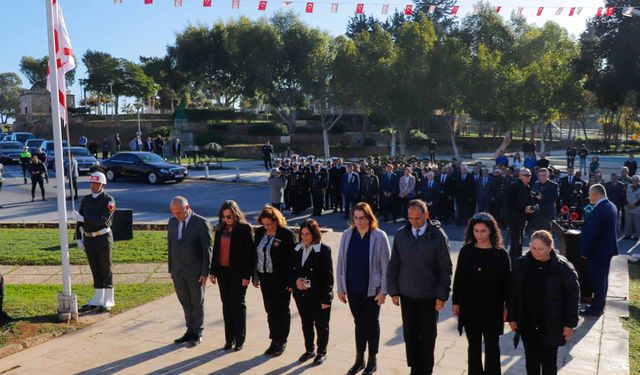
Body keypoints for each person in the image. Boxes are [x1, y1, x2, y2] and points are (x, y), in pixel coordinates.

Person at [388, 199, 453, 375]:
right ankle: (415, 369)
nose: (414, 223)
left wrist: (442, 296)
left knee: (427, 338)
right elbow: (394, 264)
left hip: (429, 298)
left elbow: (445, 268)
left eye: (417, 218)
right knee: (410, 337)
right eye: (410, 218)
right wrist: (393, 291)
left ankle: (425, 370)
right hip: (407, 296)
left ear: (426, 215)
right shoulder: (401, 234)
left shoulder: (438, 236)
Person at [508, 230, 580, 375]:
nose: (536, 252)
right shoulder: (521, 264)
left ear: (550, 247)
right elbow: (513, 294)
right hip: (528, 322)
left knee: (549, 362)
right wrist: (512, 317)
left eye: (540, 249)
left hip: (551, 323)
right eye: (533, 248)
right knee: (531, 360)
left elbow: (573, 295)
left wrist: (570, 324)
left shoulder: (562, 267)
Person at [452, 212, 510, 375]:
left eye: (483, 231)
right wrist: (456, 302)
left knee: (492, 346)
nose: (479, 235)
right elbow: (459, 279)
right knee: (474, 346)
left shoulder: (501, 254)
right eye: (476, 231)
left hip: (493, 307)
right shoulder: (466, 252)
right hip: (470, 307)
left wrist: (507, 306)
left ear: (491, 231)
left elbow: (507, 283)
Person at [336, 202, 391, 375]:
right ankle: (359, 359)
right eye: (356, 218)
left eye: (362, 218)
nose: (358, 222)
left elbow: (386, 266)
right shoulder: (346, 235)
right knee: (359, 324)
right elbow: (340, 263)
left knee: (372, 324)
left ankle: (372, 360)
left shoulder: (379, 236)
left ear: (369, 218)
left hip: (372, 291)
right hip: (352, 289)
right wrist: (340, 288)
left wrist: (384, 291)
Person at [167, 196, 212, 347]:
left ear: (187, 208)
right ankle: (189, 331)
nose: (176, 216)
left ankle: (197, 332)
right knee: (185, 302)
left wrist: (205, 272)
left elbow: (207, 250)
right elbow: (171, 246)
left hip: (195, 272)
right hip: (177, 271)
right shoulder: (172, 222)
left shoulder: (201, 223)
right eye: (174, 213)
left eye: (179, 212)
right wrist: (171, 268)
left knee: (197, 302)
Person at [210, 200, 254, 351]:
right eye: (223, 217)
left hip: (238, 274)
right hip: (223, 273)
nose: (226, 220)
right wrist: (213, 271)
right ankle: (229, 339)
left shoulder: (244, 229)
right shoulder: (221, 229)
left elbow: (249, 255)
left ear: (235, 215)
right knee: (227, 306)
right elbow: (216, 251)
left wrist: (247, 276)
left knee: (238, 305)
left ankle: (239, 339)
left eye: (228, 217)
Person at [289, 219, 334, 365]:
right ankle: (309, 350)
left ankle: (322, 351)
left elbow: (328, 276)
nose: (304, 237)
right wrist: (295, 282)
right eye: (302, 233)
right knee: (306, 323)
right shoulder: (296, 248)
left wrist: (326, 299)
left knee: (321, 325)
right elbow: (290, 270)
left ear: (314, 234)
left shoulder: (323, 250)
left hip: (318, 295)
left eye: (307, 234)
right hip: (301, 295)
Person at [254, 206, 296, 356]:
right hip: (265, 277)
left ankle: (282, 340)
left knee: (282, 310)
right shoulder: (259, 233)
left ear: (276, 221)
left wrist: (291, 281)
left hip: (281, 279)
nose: (267, 227)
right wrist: (256, 276)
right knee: (270, 309)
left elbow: (293, 260)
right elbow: (256, 255)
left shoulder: (286, 235)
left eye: (269, 224)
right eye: (264, 224)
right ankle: (274, 339)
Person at [74, 172, 117, 313]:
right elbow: (79, 220)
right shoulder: (86, 200)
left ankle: (109, 299)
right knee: (95, 268)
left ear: (102, 185)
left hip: (103, 238)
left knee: (106, 268)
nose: (93, 186)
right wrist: (78, 238)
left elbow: (103, 220)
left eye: (96, 184)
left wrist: (83, 218)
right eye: (92, 183)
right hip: (89, 238)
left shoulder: (108, 200)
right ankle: (98, 298)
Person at [579, 184, 618, 317]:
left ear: (596, 194)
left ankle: (596, 308)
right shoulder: (610, 205)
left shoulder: (600, 209)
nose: (588, 196)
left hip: (598, 252)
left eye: (590, 193)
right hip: (605, 250)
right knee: (602, 280)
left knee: (598, 281)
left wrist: (584, 252)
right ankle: (599, 304)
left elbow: (592, 233)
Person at [505, 168, 535, 262]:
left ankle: (518, 262)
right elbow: (509, 204)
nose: (528, 177)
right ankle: (510, 264)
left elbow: (527, 201)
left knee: (520, 243)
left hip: (522, 218)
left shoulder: (526, 186)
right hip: (514, 219)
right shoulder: (514, 186)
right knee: (515, 244)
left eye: (529, 175)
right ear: (520, 176)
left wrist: (530, 210)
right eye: (526, 175)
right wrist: (524, 209)